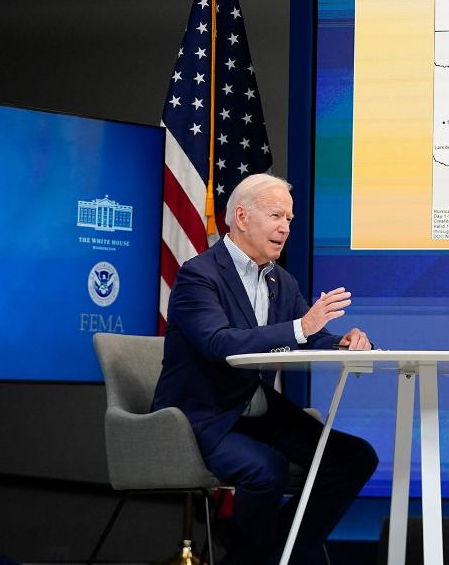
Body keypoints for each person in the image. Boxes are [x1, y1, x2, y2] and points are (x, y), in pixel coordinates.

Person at [152, 173, 378, 565]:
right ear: (241, 217)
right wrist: (301, 328)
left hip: (256, 411)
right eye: (277, 216)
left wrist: (344, 341)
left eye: (289, 219)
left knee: (354, 457)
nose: (286, 228)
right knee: (266, 469)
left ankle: (270, 556)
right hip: (201, 416)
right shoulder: (198, 277)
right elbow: (218, 343)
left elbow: (309, 334)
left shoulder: (279, 279)